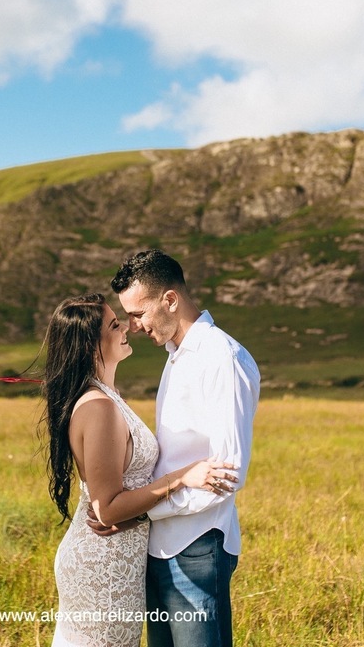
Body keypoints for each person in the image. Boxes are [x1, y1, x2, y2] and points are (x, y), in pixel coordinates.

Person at [41, 293, 236, 647]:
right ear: (90, 347)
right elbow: (107, 508)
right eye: (114, 326)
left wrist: (145, 515)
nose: (127, 329)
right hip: (103, 566)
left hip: (119, 559)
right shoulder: (98, 407)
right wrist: (182, 477)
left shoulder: (108, 396)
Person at [104, 249, 260, 647]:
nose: (134, 326)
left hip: (198, 547)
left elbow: (227, 474)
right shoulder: (177, 356)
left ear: (170, 300)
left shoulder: (221, 358)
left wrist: (142, 510)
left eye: (138, 314)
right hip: (159, 546)